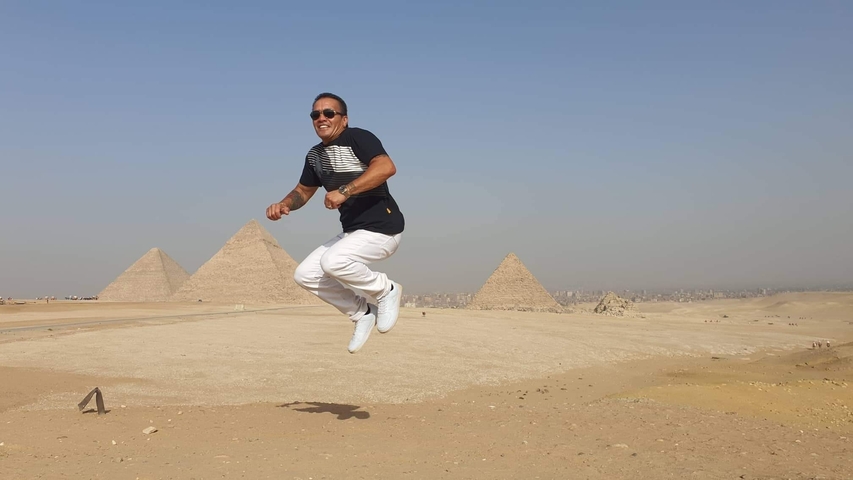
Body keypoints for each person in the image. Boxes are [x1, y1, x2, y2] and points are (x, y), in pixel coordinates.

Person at [266, 92, 404, 354]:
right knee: (305, 274)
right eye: (315, 114)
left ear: (344, 118)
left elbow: (386, 167)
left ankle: (386, 290)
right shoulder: (315, 155)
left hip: (383, 228)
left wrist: (345, 190)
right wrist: (284, 204)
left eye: (329, 113)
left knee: (333, 262)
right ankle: (362, 312)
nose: (321, 118)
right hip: (353, 232)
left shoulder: (358, 138)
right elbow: (303, 191)